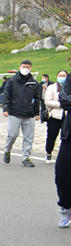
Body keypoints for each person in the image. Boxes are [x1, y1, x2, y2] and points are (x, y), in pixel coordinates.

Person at [2, 59, 41, 167]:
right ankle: (7, 150)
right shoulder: (12, 80)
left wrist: (36, 112)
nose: (25, 69)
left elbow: (37, 99)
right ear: (20, 67)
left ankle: (26, 157)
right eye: (24, 66)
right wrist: (6, 109)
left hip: (29, 114)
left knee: (29, 137)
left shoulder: (34, 83)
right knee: (12, 135)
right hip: (15, 112)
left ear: (31, 68)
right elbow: (6, 95)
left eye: (28, 67)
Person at [54, 75, 71, 227]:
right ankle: (66, 207)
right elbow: (64, 99)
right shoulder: (70, 79)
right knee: (62, 171)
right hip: (70, 135)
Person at [44, 70, 67, 163]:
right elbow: (48, 101)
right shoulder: (52, 87)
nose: (62, 77)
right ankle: (49, 153)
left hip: (67, 115)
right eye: (60, 75)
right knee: (52, 135)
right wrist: (61, 104)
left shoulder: (68, 87)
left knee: (66, 136)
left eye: (64, 76)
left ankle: (65, 155)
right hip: (54, 115)